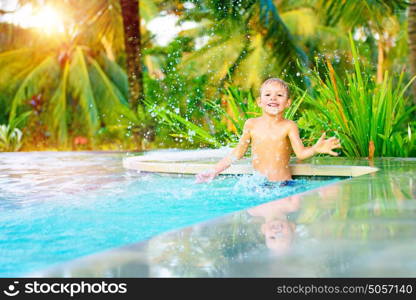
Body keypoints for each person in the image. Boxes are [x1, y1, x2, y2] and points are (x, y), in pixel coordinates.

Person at [196, 78, 341, 183]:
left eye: (279, 95)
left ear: (288, 103)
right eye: (267, 95)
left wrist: (316, 148)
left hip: (283, 184)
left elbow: (301, 154)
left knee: (291, 208)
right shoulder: (251, 124)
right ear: (260, 102)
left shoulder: (289, 126)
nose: (273, 98)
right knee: (256, 213)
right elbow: (237, 153)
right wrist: (214, 170)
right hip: (258, 185)